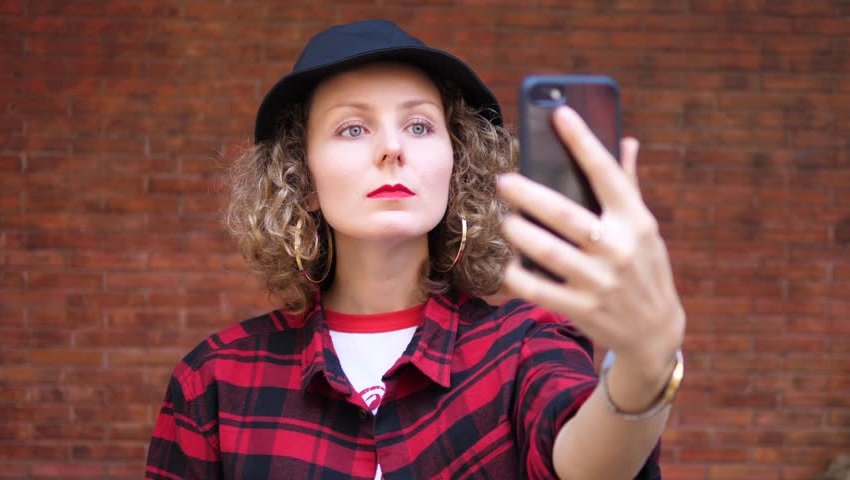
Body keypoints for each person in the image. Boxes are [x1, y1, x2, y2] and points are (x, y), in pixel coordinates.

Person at [145, 19, 685, 480]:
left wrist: (644, 363)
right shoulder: (215, 380)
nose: (392, 148)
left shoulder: (525, 344)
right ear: (301, 179)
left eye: (420, 125)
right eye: (353, 128)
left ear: (456, 166)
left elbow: (585, 463)